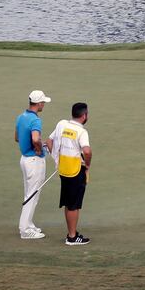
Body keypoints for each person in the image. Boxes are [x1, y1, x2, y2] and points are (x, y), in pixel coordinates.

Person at [48, 102, 92, 246]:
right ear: (84, 116)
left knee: (69, 203)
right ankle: (72, 237)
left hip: (64, 170)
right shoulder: (82, 132)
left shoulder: (62, 124)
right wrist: (88, 165)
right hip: (76, 171)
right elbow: (87, 151)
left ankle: (71, 233)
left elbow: (49, 141)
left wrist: (56, 158)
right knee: (74, 205)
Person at [15, 89, 52, 239]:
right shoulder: (35, 120)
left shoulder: (21, 117)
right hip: (34, 162)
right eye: (43, 102)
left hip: (24, 159)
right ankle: (25, 230)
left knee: (29, 193)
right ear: (39, 103)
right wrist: (38, 148)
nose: (44, 104)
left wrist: (36, 145)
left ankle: (29, 224)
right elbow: (35, 138)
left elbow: (17, 137)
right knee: (32, 196)